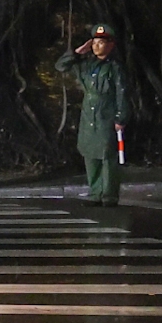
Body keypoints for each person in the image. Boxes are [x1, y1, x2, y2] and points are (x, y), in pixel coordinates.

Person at [57, 24, 130, 205]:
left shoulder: (114, 68)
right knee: (90, 154)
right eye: (95, 42)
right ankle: (95, 193)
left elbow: (122, 93)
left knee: (107, 155)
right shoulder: (86, 65)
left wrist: (121, 117)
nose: (97, 46)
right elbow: (60, 66)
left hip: (107, 113)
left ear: (110, 45)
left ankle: (109, 195)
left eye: (101, 43)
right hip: (89, 115)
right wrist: (77, 52)